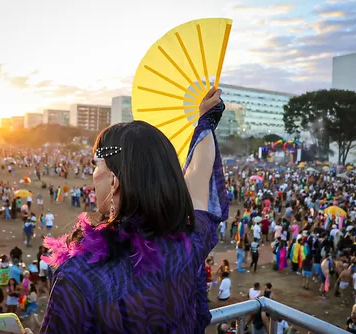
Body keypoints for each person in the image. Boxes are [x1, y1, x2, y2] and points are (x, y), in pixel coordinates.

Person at [38, 88, 227, 333]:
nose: (93, 175)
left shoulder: (80, 276)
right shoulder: (190, 242)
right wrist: (206, 122)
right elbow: (199, 174)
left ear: (114, 181)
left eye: (97, 165)